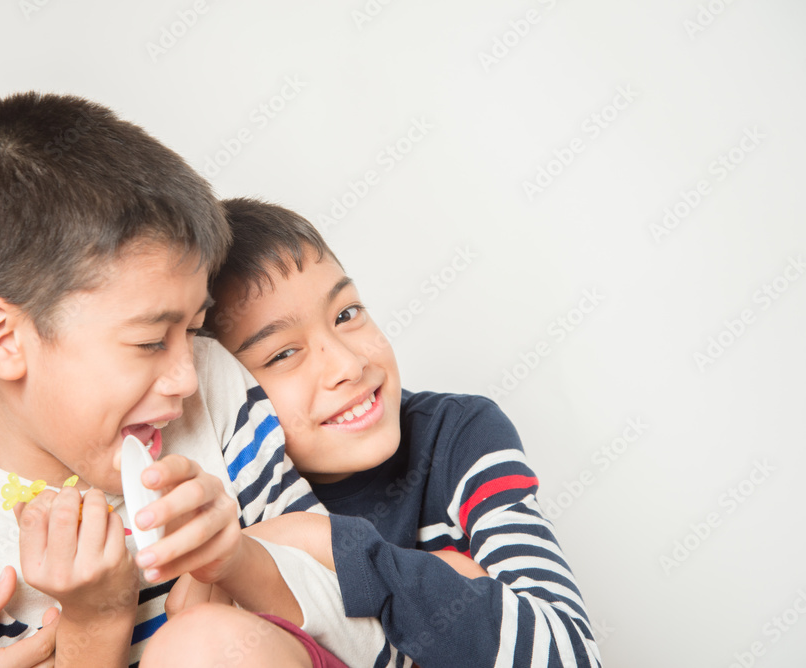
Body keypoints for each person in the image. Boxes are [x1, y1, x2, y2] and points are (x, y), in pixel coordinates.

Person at [0, 93, 392, 668]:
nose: (184, 377)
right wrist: (95, 624)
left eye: (193, 329)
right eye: (150, 342)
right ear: (2, 339)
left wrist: (241, 559)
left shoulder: (215, 395)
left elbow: (379, 636)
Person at [204, 198, 604, 667]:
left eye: (346, 314)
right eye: (283, 354)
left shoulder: (458, 436)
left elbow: (569, 655)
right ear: (224, 394)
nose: (349, 364)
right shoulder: (228, 501)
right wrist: (449, 578)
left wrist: (327, 543)